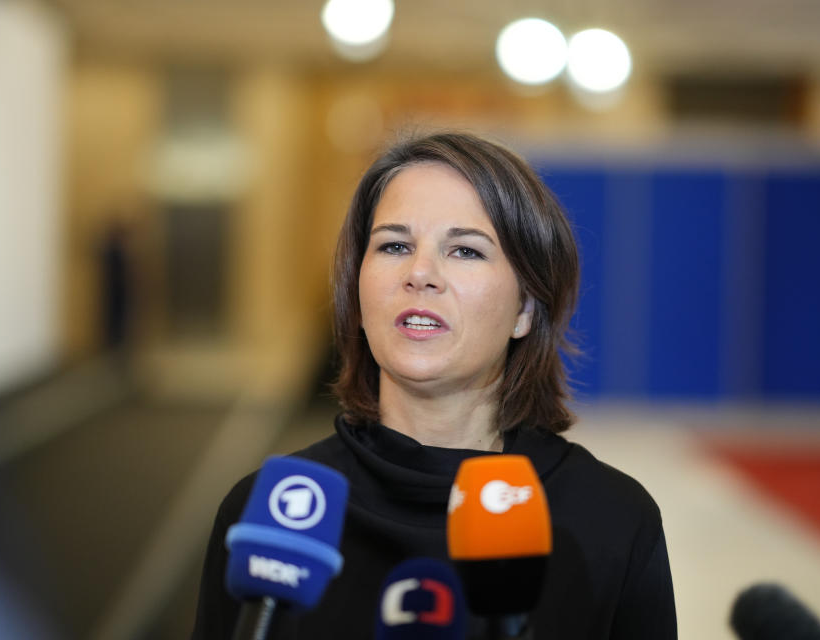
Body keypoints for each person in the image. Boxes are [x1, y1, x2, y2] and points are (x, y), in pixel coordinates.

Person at [191, 132, 677, 639]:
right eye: (394, 245)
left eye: (465, 251)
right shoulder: (268, 519)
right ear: (357, 293)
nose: (420, 273)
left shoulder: (612, 521)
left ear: (525, 309)